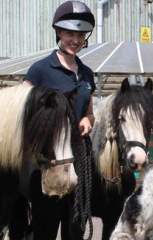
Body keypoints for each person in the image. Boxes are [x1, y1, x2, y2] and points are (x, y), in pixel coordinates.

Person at [22, 1, 96, 239]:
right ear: (58, 33)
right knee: (45, 228)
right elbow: (22, 110)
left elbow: (90, 112)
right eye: (70, 33)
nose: (75, 39)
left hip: (79, 160)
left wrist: (87, 120)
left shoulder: (87, 74)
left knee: (75, 228)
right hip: (49, 161)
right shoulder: (40, 70)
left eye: (81, 34)